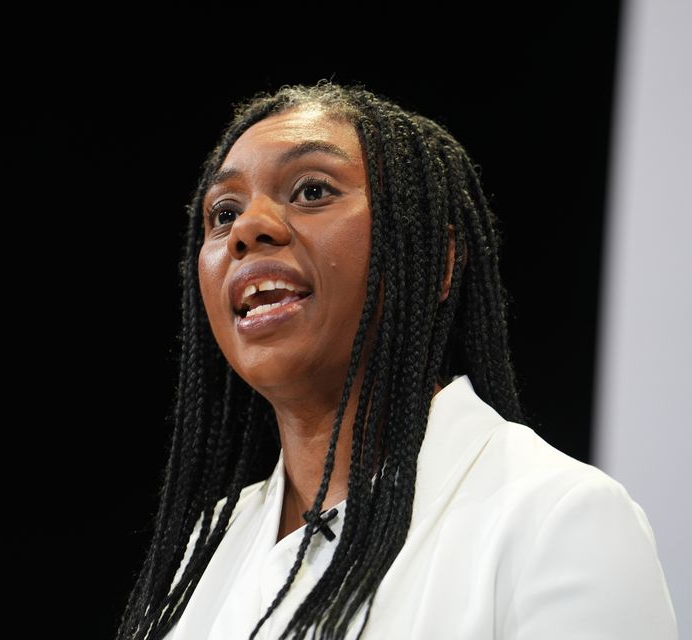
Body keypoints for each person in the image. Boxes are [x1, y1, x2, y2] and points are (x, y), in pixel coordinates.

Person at [116, 82, 676, 639]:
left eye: (312, 190)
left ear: (438, 260)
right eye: (223, 212)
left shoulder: (559, 520)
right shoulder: (209, 546)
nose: (247, 228)